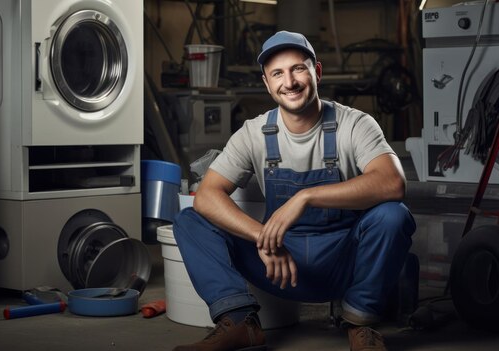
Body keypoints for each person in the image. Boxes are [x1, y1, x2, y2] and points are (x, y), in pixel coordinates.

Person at [172, 30, 416, 351]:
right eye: (277, 73)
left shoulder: (355, 124)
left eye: (298, 68)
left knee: (393, 215)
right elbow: (207, 194)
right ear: (267, 83)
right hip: (277, 265)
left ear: (316, 71)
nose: (289, 81)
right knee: (191, 220)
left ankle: (361, 323)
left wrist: (306, 197)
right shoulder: (254, 133)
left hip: (343, 262)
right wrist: (263, 237)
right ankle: (240, 322)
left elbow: (392, 182)